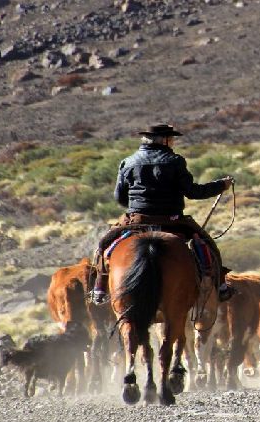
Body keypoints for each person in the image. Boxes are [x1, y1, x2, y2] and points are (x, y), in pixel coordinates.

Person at [90, 124, 235, 304]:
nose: (173, 142)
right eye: (172, 138)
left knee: (104, 245)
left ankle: (100, 287)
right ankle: (221, 286)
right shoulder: (175, 161)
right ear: (165, 140)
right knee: (207, 243)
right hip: (172, 220)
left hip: (137, 219)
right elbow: (193, 192)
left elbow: (120, 198)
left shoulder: (128, 162)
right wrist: (221, 185)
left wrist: (139, 205)